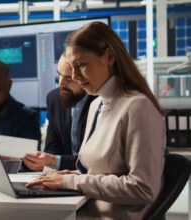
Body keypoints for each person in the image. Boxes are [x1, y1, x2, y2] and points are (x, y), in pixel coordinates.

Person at [26, 22, 166, 220]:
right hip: (83, 213)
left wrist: (72, 182)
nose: (74, 76)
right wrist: (74, 175)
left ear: (109, 57)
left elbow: (143, 188)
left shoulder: (138, 107)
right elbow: (103, 171)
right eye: (71, 68)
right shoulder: (97, 104)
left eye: (80, 65)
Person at [23, 54, 96, 171]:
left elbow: (98, 160)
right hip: (64, 179)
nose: (60, 84)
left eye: (69, 78)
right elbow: (53, 150)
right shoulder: (54, 99)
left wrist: (55, 162)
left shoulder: (101, 101)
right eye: (59, 75)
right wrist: (41, 161)